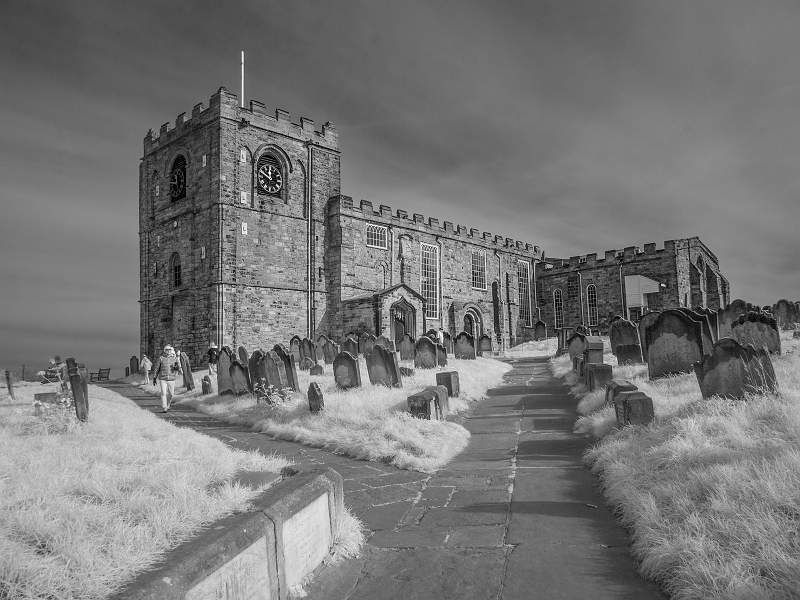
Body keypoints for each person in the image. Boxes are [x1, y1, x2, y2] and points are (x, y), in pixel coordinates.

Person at [152, 345, 182, 413]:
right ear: (164, 351)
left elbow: (178, 368)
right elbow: (157, 368)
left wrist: (177, 368)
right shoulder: (161, 358)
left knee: (171, 394)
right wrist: (154, 377)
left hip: (171, 378)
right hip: (163, 378)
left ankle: (168, 405)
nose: (168, 351)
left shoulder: (174, 358)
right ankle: (164, 407)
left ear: (171, 351)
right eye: (167, 350)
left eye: (169, 350)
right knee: (163, 393)